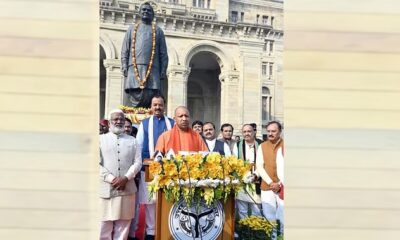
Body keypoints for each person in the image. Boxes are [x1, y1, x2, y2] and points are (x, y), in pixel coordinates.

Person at [129, 95, 174, 240]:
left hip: (169, 170)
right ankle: (151, 232)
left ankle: (166, 229)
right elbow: (139, 145)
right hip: (148, 169)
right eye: (154, 105)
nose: (157, 108)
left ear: (164, 106)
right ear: (151, 107)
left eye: (160, 105)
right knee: (150, 201)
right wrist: (140, 166)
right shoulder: (145, 123)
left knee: (168, 199)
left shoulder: (172, 123)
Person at [99, 109, 142, 240]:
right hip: (105, 189)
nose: (119, 121)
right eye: (115, 119)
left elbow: (138, 162)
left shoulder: (133, 141)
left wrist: (126, 178)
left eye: (121, 119)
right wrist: (112, 179)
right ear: (109, 122)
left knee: (123, 228)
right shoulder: (100, 139)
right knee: (103, 226)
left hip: (127, 189)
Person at [121, 2, 168, 108]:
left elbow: (163, 54)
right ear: (139, 12)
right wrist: (124, 64)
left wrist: (163, 70)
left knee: (151, 94)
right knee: (133, 92)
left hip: (152, 69)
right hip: (134, 68)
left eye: (149, 10)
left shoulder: (158, 31)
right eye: (144, 10)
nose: (146, 12)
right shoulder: (132, 29)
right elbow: (125, 49)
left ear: (153, 14)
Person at [256, 121, 284, 239]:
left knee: (284, 215)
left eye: (273, 131)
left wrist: (279, 183)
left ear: (280, 132)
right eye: (268, 131)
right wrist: (271, 183)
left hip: (283, 187)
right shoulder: (262, 146)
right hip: (267, 186)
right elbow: (259, 166)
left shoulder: (286, 145)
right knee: (269, 215)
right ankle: (272, 237)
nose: (270, 133)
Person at [233, 124, 262, 220]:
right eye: (244, 132)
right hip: (242, 181)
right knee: (242, 209)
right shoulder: (237, 145)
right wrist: (242, 176)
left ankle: (256, 232)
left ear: (254, 132)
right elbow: (234, 162)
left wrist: (256, 175)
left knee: (256, 209)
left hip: (257, 180)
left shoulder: (261, 144)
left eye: (249, 131)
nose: (247, 134)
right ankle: (244, 231)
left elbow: (263, 163)